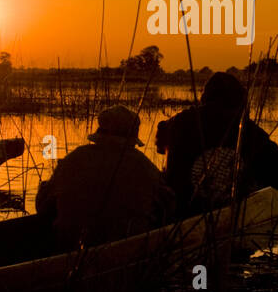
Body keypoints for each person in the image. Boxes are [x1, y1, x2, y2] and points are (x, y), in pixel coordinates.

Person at [155, 71, 278, 213]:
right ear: (239, 101)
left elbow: (161, 146)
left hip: (178, 210)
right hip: (221, 211)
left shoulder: (176, 123)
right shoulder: (247, 131)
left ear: (205, 98)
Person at [36, 105, 175, 251]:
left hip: (69, 248)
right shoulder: (146, 167)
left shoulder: (74, 159)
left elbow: (42, 206)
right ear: (133, 137)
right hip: (128, 251)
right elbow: (169, 208)